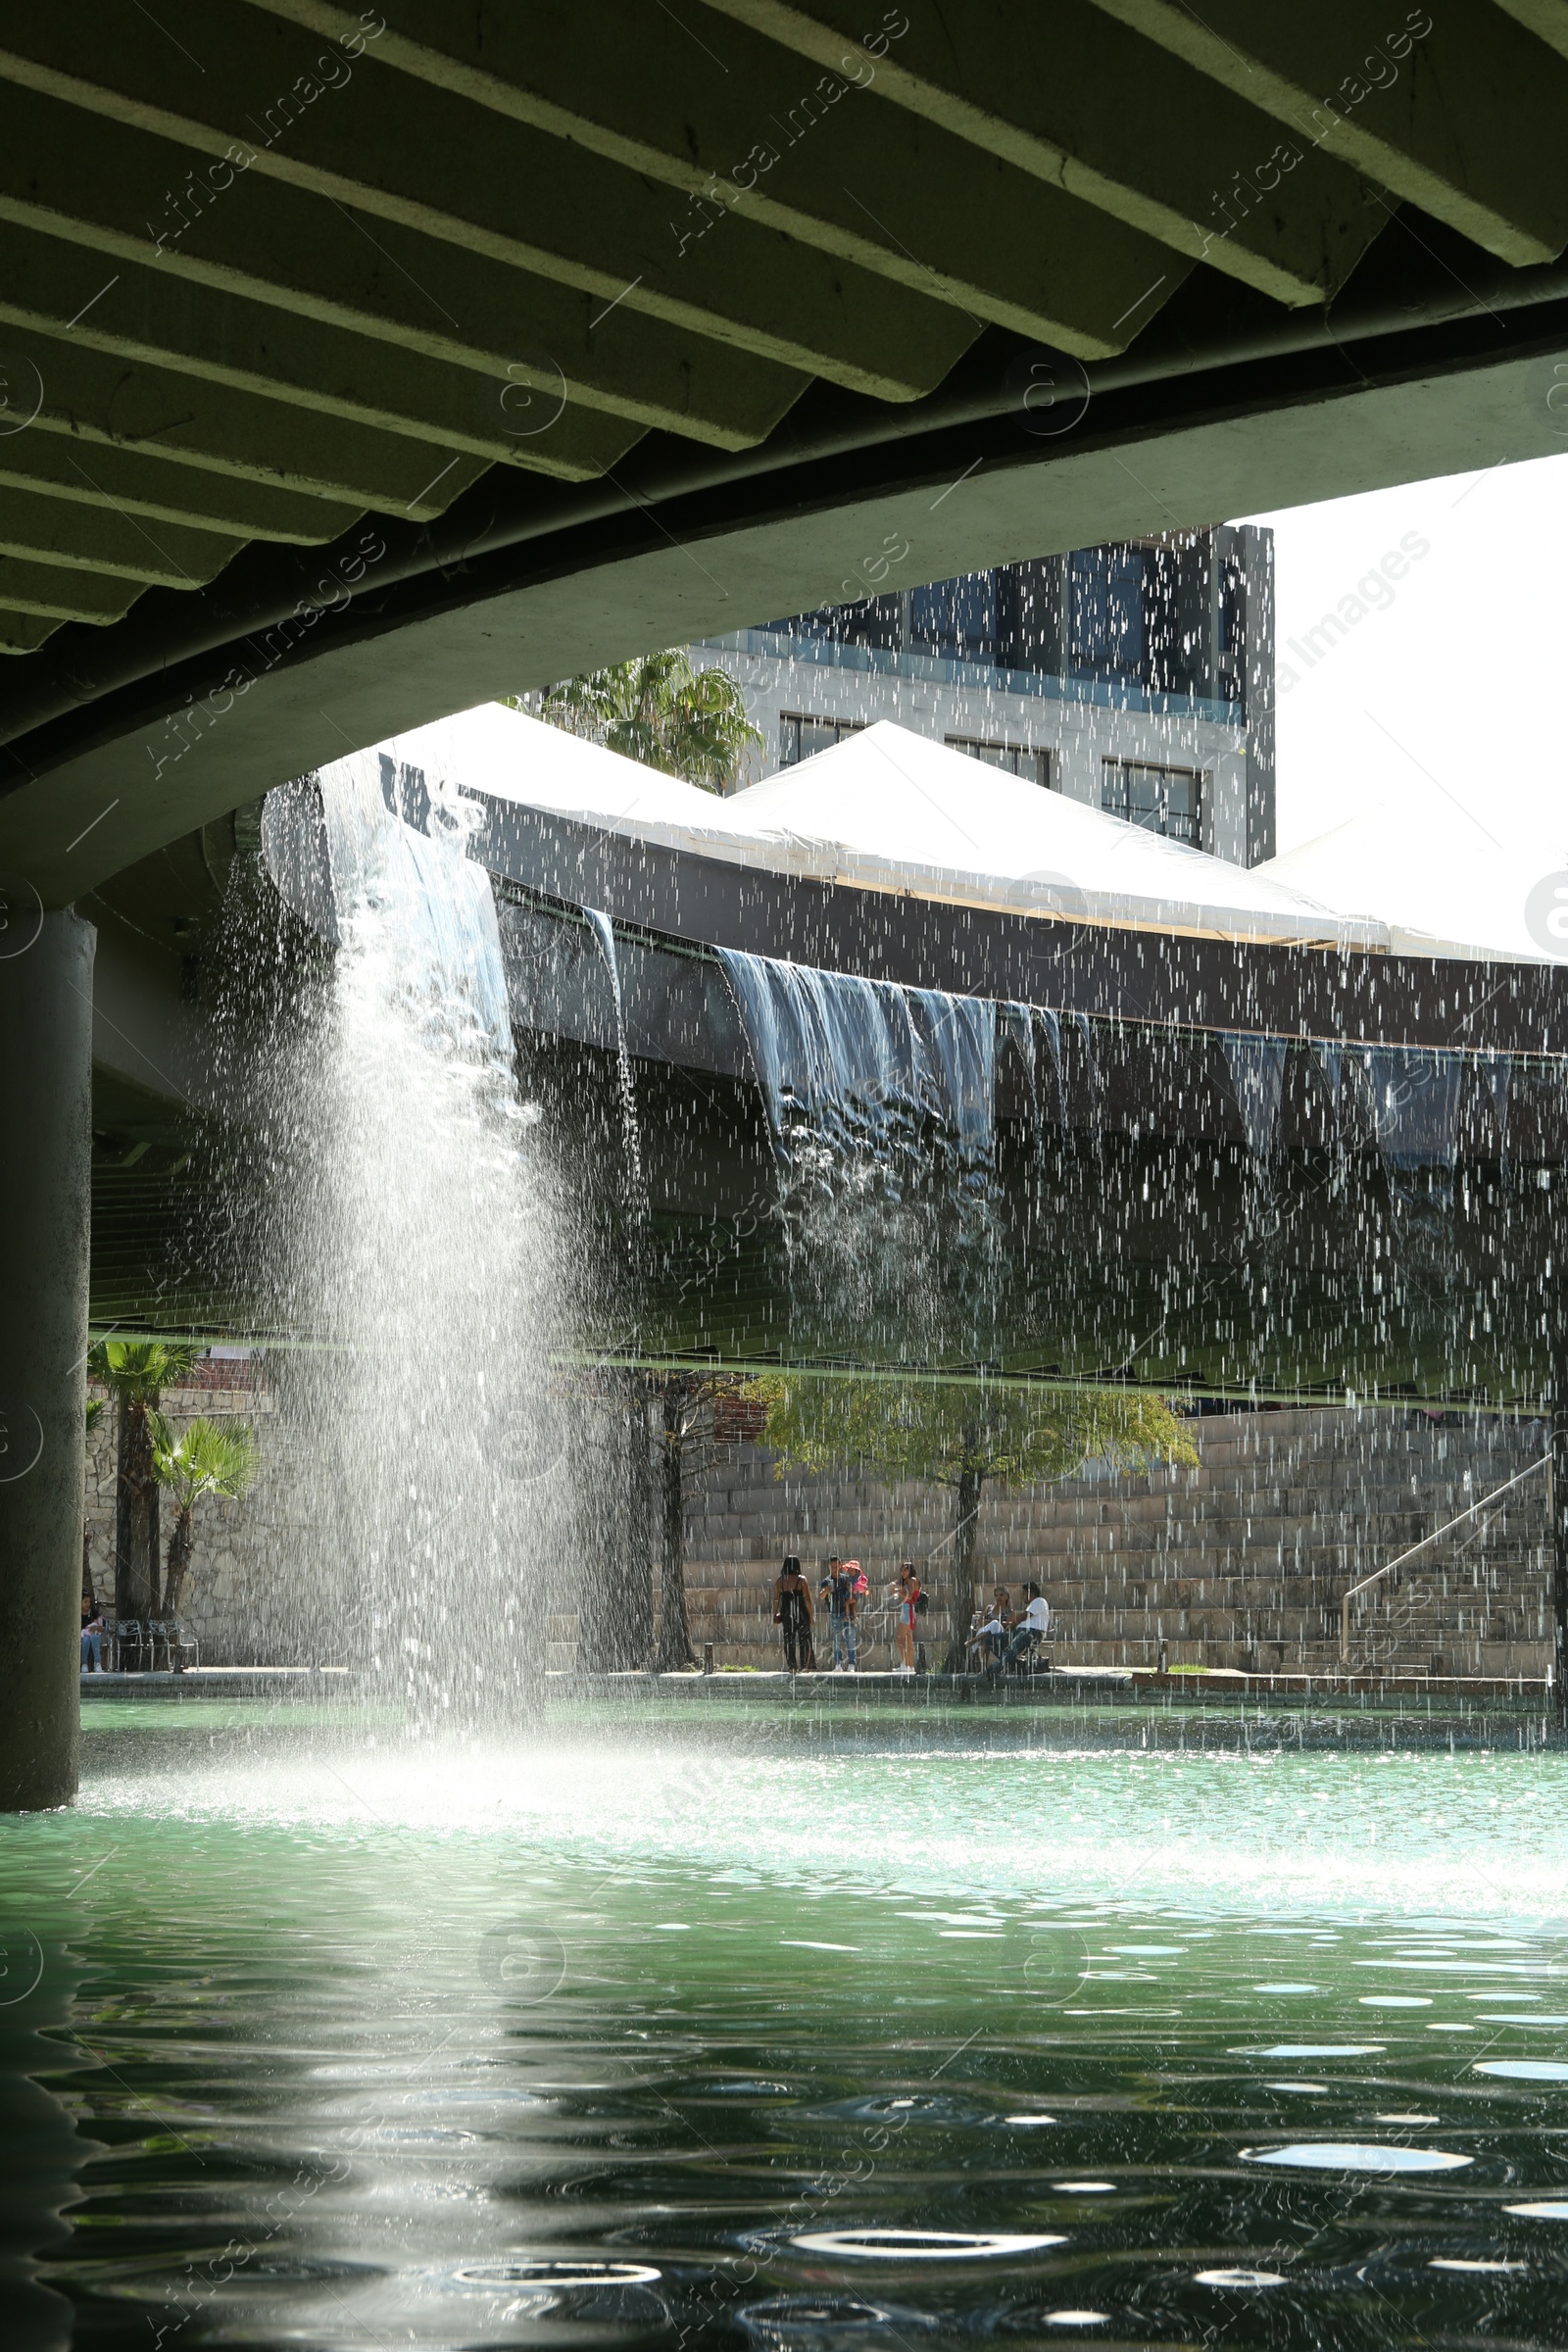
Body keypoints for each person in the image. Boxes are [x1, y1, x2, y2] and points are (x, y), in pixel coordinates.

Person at [995, 1582, 1051, 1675]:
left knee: (1021, 1637)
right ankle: (1012, 1664)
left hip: (1033, 1633)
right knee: (992, 1639)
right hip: (1020, 1632)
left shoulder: (1040, 1601)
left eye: (1024, 1594)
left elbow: (1022, 1617)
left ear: (1030, 1593)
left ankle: (998, 1667)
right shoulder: (1033, 1604)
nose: (1022, 1596)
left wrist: (1009, 1627)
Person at [773, 1554, 813, 1673]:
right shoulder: (801, 1580)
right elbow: (807, 1600)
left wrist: (775, 1614)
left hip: (786, 1613)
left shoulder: (779, 1581)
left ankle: (792, 1666)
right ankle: (805, 1666)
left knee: (788, 1639)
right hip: (800, 1612)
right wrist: (811, 1615)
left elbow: (776, 1600)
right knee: (805, 1639)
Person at [818, 1554, 858, 1671]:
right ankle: (838, 1664)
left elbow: (853, 1593)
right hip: (835, 1613)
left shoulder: (845, 1579)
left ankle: (851, 1664)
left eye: (836, 1566)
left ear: (840, 1566)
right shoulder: (826, 1581)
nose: (835, 1569)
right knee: (837, 1640)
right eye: (832, 1567)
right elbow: (821, 1596)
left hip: (847, 1613)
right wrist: (826, 1591)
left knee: (850, 1639)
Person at [890, 1561, 920, 1676]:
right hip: (907, 1609)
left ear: (910, 1570)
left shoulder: (912, 1580)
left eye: (905, 1570)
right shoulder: (909, 1581)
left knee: (899, 1638)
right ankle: (910, 1666)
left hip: (909, 1610)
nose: (903, 1573)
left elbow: (910, 1596)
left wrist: (896, 1591)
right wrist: (896, 1591)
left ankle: (905, 1664)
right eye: (902, 1570)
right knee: (908, 1641)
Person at [80, 1603, 104, 1673]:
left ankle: (97, 1663)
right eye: (85, 1601)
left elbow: (102, 1628)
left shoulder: (93, 1614)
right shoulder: (78, 1615)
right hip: (85, 1636)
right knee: (85, 1640)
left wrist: (97, 1627)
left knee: (94, 1637)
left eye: (89, 1602)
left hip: (95, 1637)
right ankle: (84, 1664)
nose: (87, 1604)